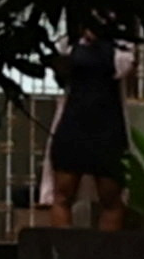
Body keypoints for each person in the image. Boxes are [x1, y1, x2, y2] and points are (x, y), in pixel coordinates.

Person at [40, 31, 130, 229]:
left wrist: (99, 43)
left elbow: (123, 67)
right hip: (73, 125)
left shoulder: (121, 44)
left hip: (107, 129)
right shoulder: (68, 41)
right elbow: (60, 72)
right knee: (63, 195)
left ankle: (105, 250)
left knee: (111, 198)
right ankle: (63, 248)